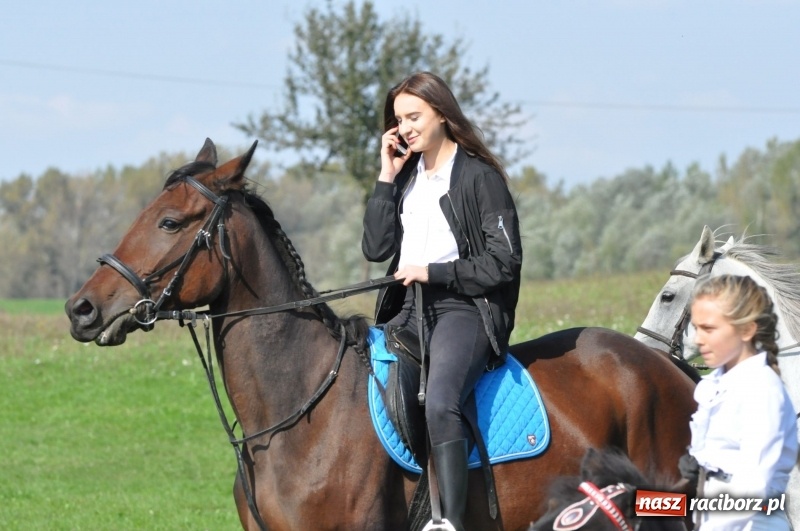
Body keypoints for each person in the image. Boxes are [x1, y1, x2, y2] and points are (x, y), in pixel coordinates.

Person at [362, 71, 522, 530]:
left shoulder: (479, 177)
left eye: (414, 116)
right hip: (407, 310)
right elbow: (375, 249)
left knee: (439, 402)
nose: (406, 128)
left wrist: (433, 273)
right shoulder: (406, 176)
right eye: (399, 120)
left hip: (464, 311)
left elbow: (503, 263)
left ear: (442, 114)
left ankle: (449, 522)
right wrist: (385, 176)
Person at [679, 274, 798, 530]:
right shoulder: (717, 385)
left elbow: (753, 488)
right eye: (697, 328)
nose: (697, 340)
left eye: (709, 329)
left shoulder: (761, 389)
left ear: (746, 330)